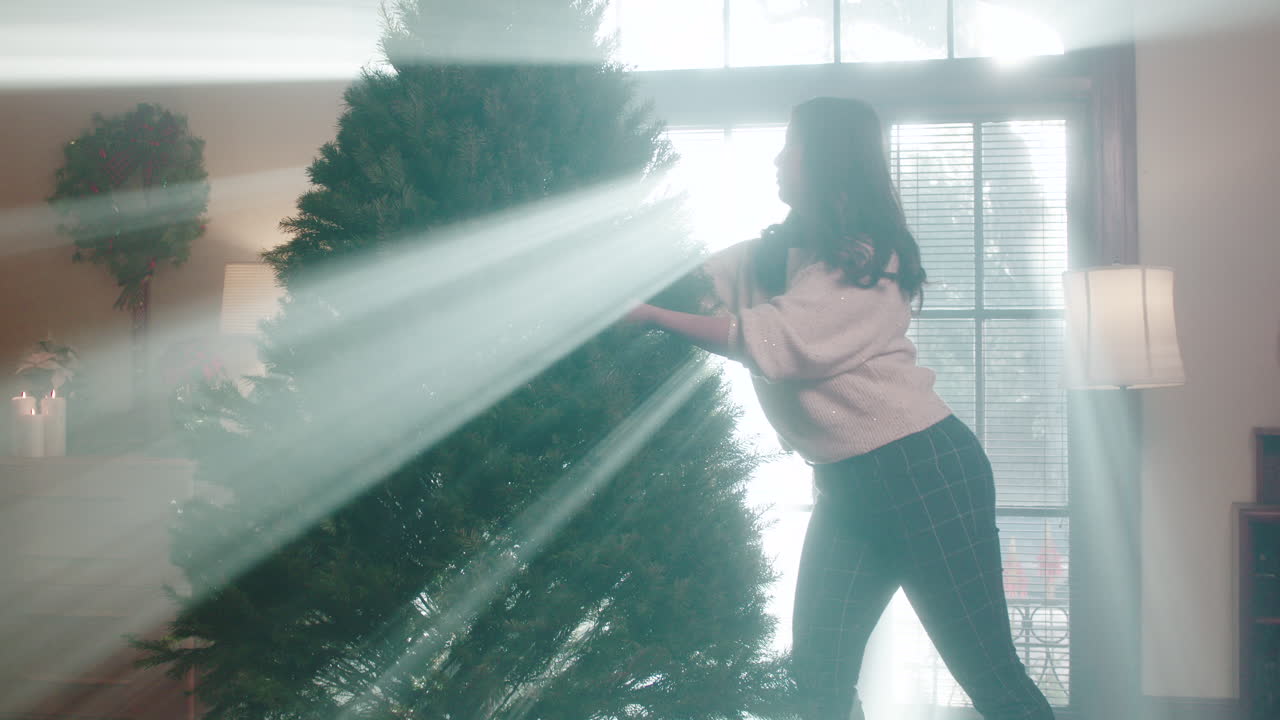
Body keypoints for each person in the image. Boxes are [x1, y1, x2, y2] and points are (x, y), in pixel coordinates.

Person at [624, 97, 1055, 720]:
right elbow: (694, 280)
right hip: (848, 485)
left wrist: (651, 318)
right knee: (816, 682)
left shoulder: (875, 260)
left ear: (825, 158)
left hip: (923, 472)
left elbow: (780, 343)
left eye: (790, 144)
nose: (777, 158)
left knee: (991, 677)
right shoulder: (769, 256)